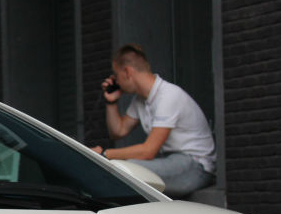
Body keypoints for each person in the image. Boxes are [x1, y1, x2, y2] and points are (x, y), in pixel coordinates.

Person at [92, 43, 215, 198]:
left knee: (128, 169)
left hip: (196, 167)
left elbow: (148, 151)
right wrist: (111, 102)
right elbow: (118, 131)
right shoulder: (140, 100)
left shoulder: (168, 96)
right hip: (171, 161)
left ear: (127, 72)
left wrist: (104, 154)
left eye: (116, 75)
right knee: (127, 169)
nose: (116, 81)